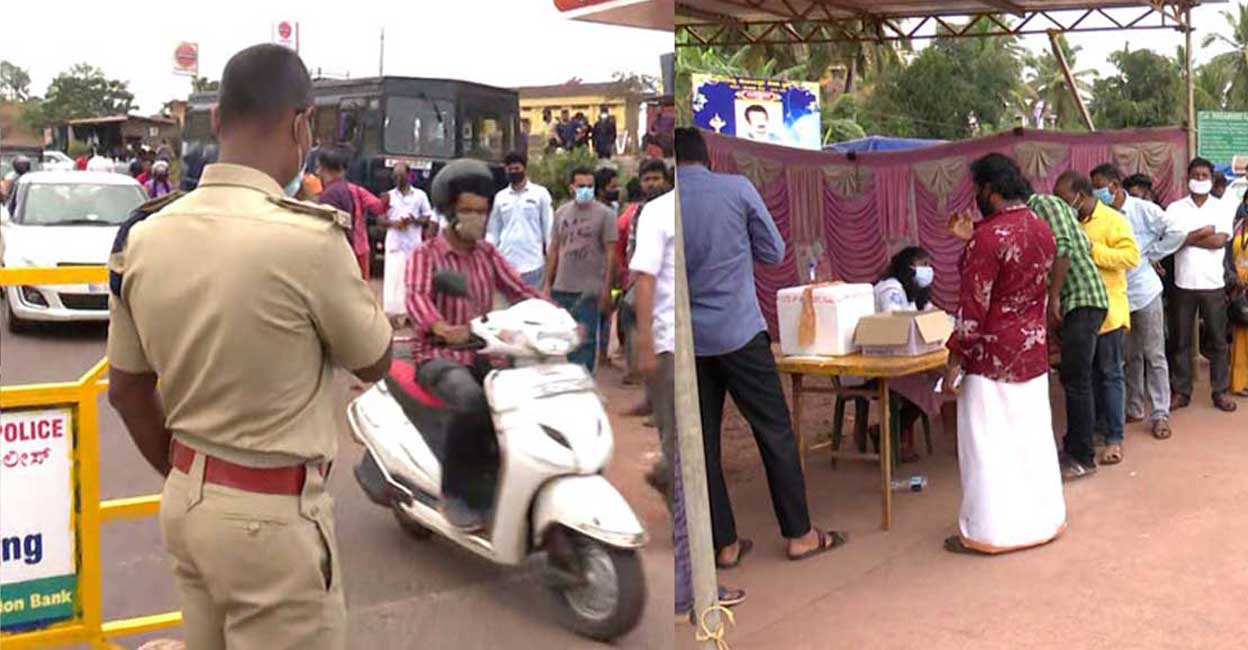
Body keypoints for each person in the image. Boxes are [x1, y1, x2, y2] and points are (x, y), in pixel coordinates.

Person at [106, 44, 392, 650]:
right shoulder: (307, 240)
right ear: (301, 125)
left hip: (187, 499)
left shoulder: (144, 235)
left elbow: (127, 389)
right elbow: (375, 357)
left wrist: (198, 478)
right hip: (271, 518)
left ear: (215, 121)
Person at [677, 126, 844, 565]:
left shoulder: (662, 205)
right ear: (706, 155)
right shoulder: (735, 189)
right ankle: (800, 534)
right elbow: (772, 251)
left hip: (689, 340)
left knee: (701, 443)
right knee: (774, 431)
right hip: (739, 331)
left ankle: (725, 544)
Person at [405, 158, 545, 530]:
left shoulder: (487, 254)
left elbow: (521, 290)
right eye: (467, 211)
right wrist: (441, 326)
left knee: (522, 400)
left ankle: (502, 482)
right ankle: (457, 494)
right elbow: (417, 297)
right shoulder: (427, 255)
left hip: (483, 351)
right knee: (471, 400)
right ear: (449, 212)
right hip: (438, 355)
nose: (477, 219)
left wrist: (557, 318)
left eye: (482, 211)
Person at [942, 153, 1065, 555]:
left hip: (991, 356)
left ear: (990, 191)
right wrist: (972, 238)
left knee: (987, 446)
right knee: (1031, 440)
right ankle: (1042, 522)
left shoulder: (987, 238)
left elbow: (973, 307)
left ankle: (989, 533)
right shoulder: (1040, 228)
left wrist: (955, 358)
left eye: (978, 190)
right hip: (1031, 351)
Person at [1091, 163, 1186, 439]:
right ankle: (1134, 407)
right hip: (1117, 296)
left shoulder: (1143, 209)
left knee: (1154, 354)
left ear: (1114, 186)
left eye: (1100, 186)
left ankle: (1160, 413)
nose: (1097, 192)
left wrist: (1152, 254)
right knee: (1128, 355)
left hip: (1145, 292)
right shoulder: (1102, 214)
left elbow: (1177, 232)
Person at [1020, 191, 1109, 481]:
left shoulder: (1042, 204)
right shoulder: (1040, 215)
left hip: (1082, 299)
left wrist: (1053, 298)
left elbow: (1062, 247)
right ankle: (1075, 445)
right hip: (1079, 302)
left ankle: (1082, 456)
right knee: (1075, 377)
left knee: (1077, 380)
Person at [1053, 170, 1140, 466]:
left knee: (1110, 374)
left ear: (1082, 194)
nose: (1064, 205)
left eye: (1066, 199)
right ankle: (1089, 432)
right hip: (1078, 313)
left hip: (1110, 312)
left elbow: (1131, 258)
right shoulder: (1068, 223)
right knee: (1085, 377)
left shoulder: (1114, 220)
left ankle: (1115, 438)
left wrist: (1093, 251)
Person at [1166, 157, 1238, 412]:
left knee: (1218, 340)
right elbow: (1172, 240)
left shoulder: (1222, 207)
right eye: (1195, 175)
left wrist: (1188, 237)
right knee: (1180, 340)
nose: (1199, 180)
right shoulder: (1175, 208)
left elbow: (1220, 240)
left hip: (1213, 283)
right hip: (1182, 283)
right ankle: (1181, 391)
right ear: (1188, 179)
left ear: (1211, 178)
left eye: (1204, 175)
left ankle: (1219, 392)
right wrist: (1202, 233)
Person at [871, 246, 944, 462]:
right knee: (928, 389)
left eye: (929, 265)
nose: (927, 270)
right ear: (907, 267)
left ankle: (891, 432)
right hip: (882, 363)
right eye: (923, 265)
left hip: (906, 359)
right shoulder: (891, 289)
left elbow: (931, 314)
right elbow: (894, 321)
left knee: (940, 380)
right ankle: (886, 435)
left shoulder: (916, 290)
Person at [544, 166, 617, 372]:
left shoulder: (606, 215)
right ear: (571, 188)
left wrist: (606, 290)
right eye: (581, 186)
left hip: (589, 291)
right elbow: (554, 250)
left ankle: (585, 383)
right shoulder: (561, 213)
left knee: (585, 343)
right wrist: (547, 285)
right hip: (561, 288)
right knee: (560, 341)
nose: (585, 190)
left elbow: (611, 254)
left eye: (590, 186)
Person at [485, 151, 553, 290]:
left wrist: (550, 256)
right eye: (510, 170)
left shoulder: (540, 194)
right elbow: (493, 230)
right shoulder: (501, 197)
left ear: (524, 169)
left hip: (533, 263)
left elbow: (548, 227)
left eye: (517, 169)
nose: (514, 172)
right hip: (506, 263)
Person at [318, 145, 384, 279]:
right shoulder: (356, 190)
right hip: (360, 247)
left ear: (323, 169)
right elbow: (379, 207)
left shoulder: (327, 195)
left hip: (340, 252)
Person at [381, 162, 435, 323]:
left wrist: (414, 220)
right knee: (393, 279)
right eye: (395, 175)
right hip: (395, 243)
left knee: (412, 279)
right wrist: (393, 224)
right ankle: (393, 314)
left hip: (412, 244)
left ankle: (412, 313)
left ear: (409, 175)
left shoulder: (420, 195)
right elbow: (379, 218)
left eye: (401, 175)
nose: (398, 178)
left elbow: (428, 217)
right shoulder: (387, 196)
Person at [594, 166, 622, 369]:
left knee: (609, 310)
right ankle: (598, 353)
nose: (616, 189)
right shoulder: (596, 211)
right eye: (612, 186)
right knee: (597, 312)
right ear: (601, 189)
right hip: (596, 269)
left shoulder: (614, 208)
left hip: (612, 269)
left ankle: (604, 353)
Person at [1230, 212, 1248, 396]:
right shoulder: (1238, 236)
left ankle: (1240, 382)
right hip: (1243, 289)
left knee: (1241, 340)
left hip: (1240, 288)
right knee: (1242, 339)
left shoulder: (1236, 234)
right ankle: (1240, 382)